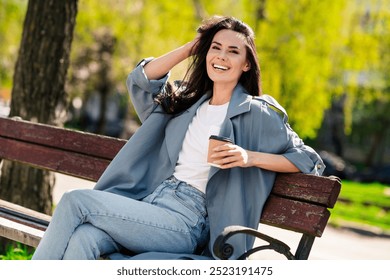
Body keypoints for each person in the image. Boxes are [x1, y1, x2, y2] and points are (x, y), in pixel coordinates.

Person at [32, 15, 324, 260]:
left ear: (246, 64)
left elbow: (309, 160)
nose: (221, 56)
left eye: (233, 51)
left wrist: (249, 157)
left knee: (75, 201)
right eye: (215, 48)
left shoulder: (256, 113)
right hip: (150, 204)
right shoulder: (186, 104)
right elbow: (141, 81)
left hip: (186, 220)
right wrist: (189, 48)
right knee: (86, 237)